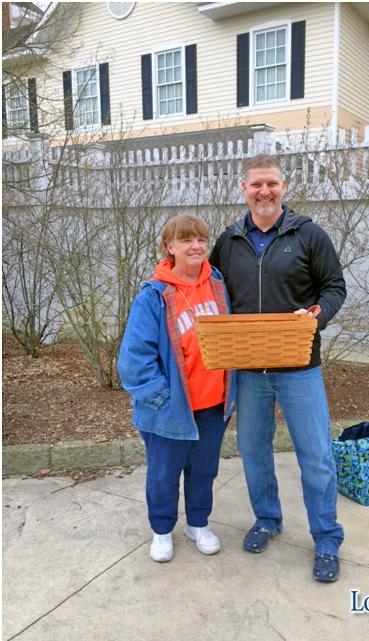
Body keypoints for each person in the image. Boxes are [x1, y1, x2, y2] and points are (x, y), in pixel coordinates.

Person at [210, 154, 346, 582]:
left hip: (299, 366)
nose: (264, 191)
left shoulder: (308, 235)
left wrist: (318, 315)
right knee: (253, 450)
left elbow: (335, 287)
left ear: (283, 187)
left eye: (271, 183)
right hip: (249, 370)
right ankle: (267, 518)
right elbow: (211, 290)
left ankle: (326, 537)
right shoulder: (228, 241)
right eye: (256, 185)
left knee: (317, 456)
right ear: (243, 189)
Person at [118, 215, 235, 563]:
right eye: (186, 240)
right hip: (171, 408)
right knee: (164, 474)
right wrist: (163, 400)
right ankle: (162, 530)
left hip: (213, 405)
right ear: (169, 247)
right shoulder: (154, 295)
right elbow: (134, 360)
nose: (195, 246)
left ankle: (198, 524)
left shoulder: (217, 285)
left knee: (204, 470)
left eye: (200, 239)